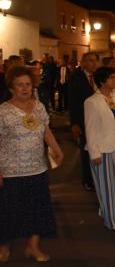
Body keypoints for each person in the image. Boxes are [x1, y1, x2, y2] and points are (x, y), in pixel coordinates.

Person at [0, 66, 64, 262]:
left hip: (37, 169)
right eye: (20, 85)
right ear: (11, 87)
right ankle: (4, 246)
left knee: (37, 210)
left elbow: (45, 130)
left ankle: (33, 247)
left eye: (28, 84)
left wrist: (56, 148)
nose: (25, 88)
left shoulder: (39, 107)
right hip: (11, 171)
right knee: (9, 211)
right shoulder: (3, 111)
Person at [84, 66, 115, 232]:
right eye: (112, 77)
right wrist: (94, 153)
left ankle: (108, 210)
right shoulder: (91, 102)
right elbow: (90, 129)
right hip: (102, 148)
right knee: (108, 186)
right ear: (102, 81)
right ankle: (113, 221)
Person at [68, 52, 99, 192]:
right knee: (86, 151)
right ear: (84, 62)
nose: (94, 63)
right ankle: (87, 180)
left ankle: (98, 177)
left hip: (98, 120)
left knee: (98, 149)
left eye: (95, 61)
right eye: (90, 61)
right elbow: (72, 102)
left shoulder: (99, 77)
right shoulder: (76, 78)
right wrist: (74, 123)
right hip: (83, 120)